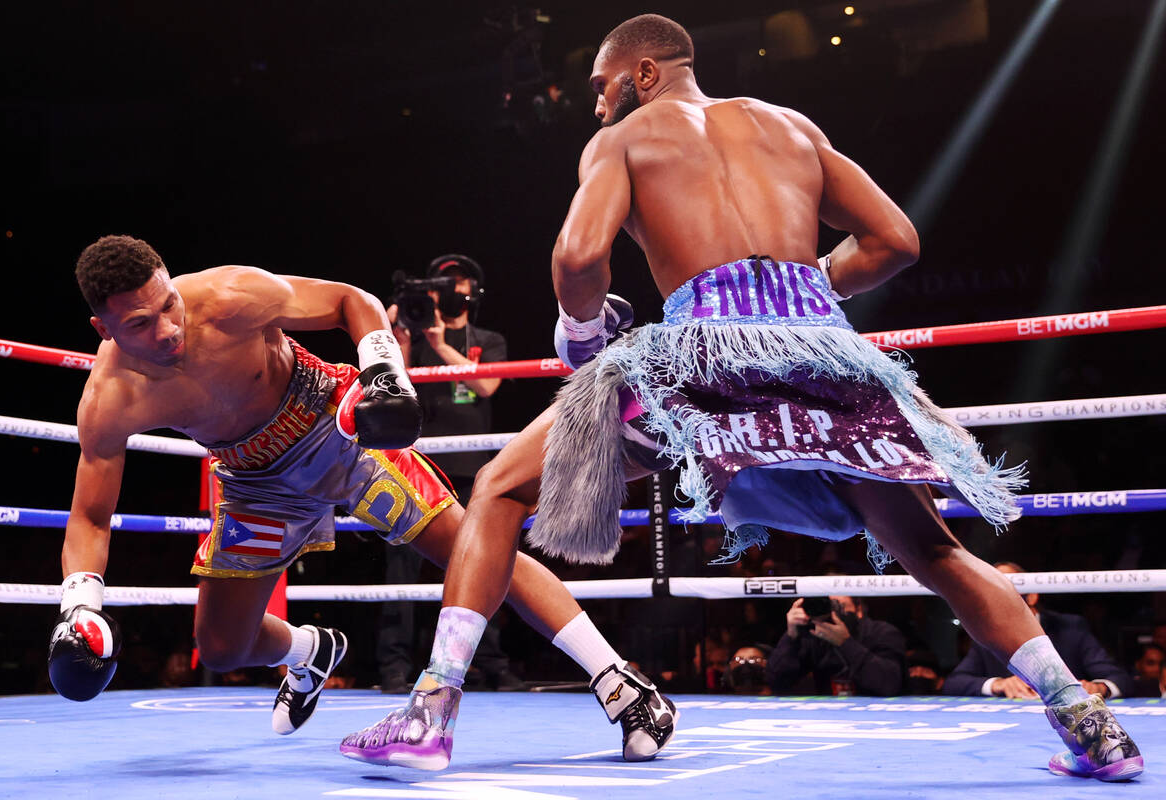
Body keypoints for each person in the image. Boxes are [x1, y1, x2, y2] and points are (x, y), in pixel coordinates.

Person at [346, 13, 1142, 781]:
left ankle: (430, 712)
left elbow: (578, 255)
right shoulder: (793, 127)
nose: (595, 103)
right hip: (821, 348)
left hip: (703, 351)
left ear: (645, 73)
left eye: (602, 84)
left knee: (497, 486)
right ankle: (1090, 724)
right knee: (934, 551)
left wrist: (581, 340)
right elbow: (897, 242)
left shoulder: (622, 139)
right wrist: (811, 283)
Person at [50, 235, 670, 763]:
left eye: (168, 305)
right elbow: (90, 516)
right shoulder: (110, 400)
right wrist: (81, 607)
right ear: (102, 329)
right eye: (139, 324)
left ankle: (624, 686)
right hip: (255, 482)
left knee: (470, 547)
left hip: (336, 429)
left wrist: (383, 378)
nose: (168, 329)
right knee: (220, 646)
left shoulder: (230, 297)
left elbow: (353, 301)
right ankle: (310, 650)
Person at [376, 254, 521, 693]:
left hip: (473, 470)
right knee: (401, 568)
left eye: (457, 282)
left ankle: (490, 663)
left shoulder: (489, 339)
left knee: (486, 565)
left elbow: (487, 385)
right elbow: (393, 383)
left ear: (471, 291)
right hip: (418, 465)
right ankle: (394, 666)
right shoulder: (415, 338)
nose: (449, 288)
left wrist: (440, 344)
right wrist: (395, 335)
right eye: (442, 281)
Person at [943, 562, 1133, 700]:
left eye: (1002, 588)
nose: (993, 597)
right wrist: (998, 684)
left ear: (1032, 596)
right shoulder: (985, 632)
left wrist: (1098, 687)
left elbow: (1119, 679)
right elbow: (955, 682)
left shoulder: (1069, 628)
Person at [767, 596, 904, 696]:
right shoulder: (813, 636)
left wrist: (845, 643)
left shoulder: (882, 633)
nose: (833, 613)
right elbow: (777, 683)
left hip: (880, 713)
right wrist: (791, 637)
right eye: (829, 606)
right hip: (829, 716)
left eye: (840, 606)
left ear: (859, 610)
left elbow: (889, 684)